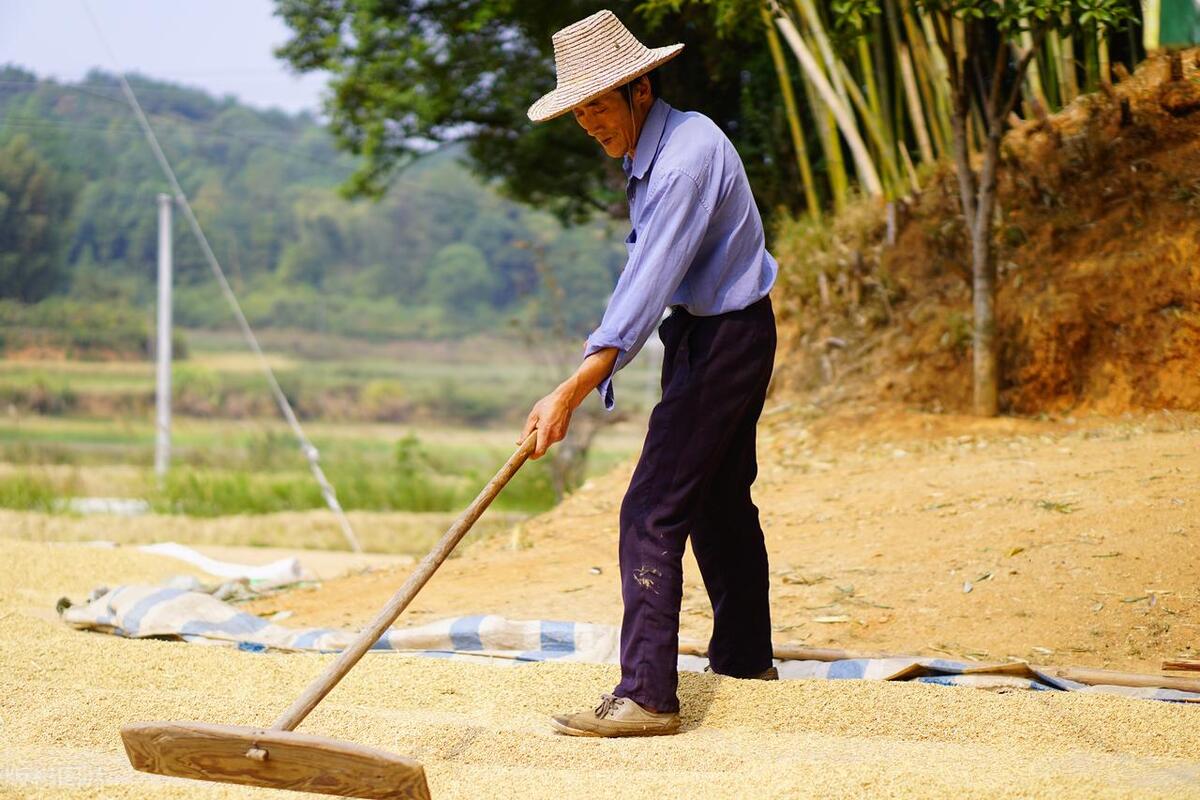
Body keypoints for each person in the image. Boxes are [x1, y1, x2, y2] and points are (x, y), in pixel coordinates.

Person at [521, 9, 779, 738]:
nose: (590, 124)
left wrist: (571, 388)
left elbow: (642, 286)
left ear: (639, 89)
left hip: (728, 338)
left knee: (652, 507)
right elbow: (648, 282)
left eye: (598, 105)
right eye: (579, 112)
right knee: (718, 502)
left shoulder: (686, 159)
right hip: (707, 334)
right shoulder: (657, 151)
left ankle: (646, 696)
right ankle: (744, 661)